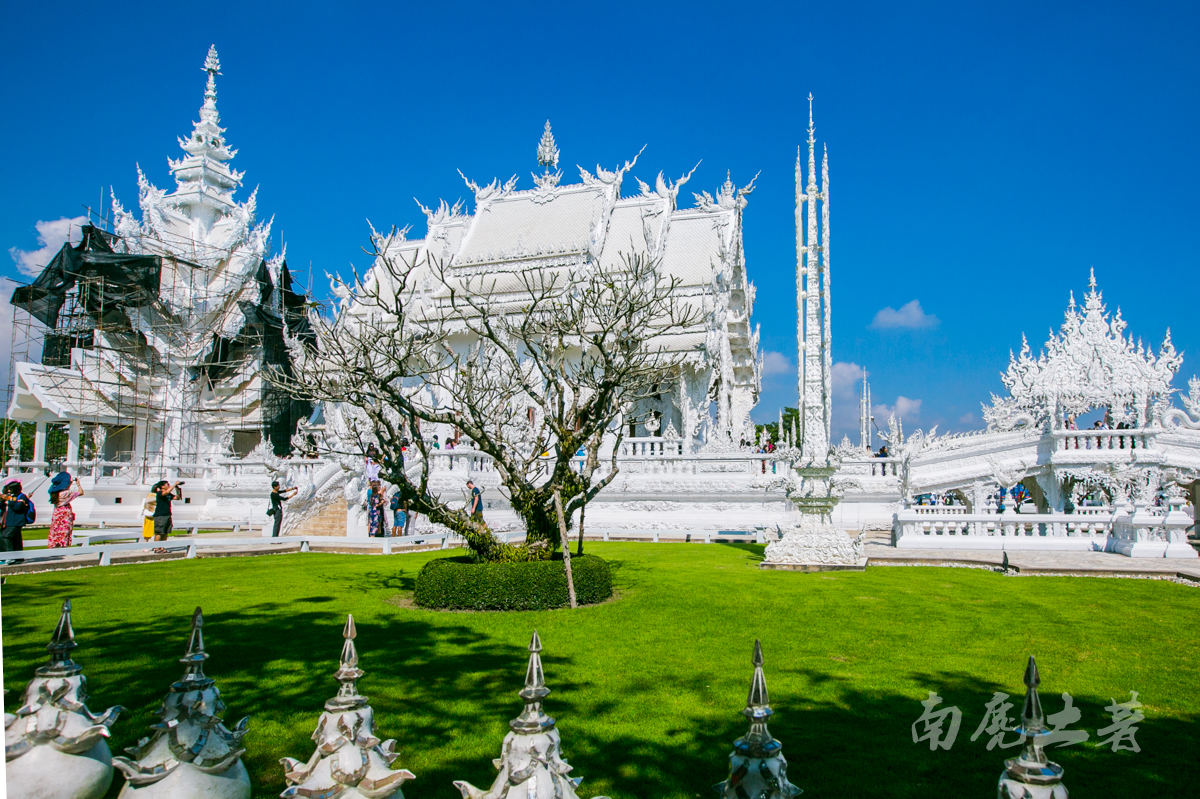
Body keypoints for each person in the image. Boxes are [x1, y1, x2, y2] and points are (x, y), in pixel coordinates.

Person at [0, 480, 34, 561]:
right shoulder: (11, 497)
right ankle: (19, 558)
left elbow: (18, 507)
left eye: (10, 489)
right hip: (9, 521)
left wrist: (9, 500)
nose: (8, 491)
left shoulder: (22, 497)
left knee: (6, 536)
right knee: (16, 540)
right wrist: (2, 500)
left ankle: (10, 557)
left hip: (17, 521)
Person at [47, 472, 83, 548]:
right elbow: (81, 492)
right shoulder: (66, 493)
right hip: (65, 512)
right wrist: (78, 484)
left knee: (56, 529)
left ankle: (54, 543)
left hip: (57, 512)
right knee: (64, 529)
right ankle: (62, 544)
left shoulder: (54, 493)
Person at [151, 479, 183, 552]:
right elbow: (166, 493)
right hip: (160, 515)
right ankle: (156, 548)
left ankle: (162, 547)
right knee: (159, 532)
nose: (168, 485)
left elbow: (177, 498)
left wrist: (178, 490)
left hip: (167, 514)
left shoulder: (169, 494)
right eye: (167, 484)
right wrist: (174, 484)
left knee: (165, 532)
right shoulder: (159, 493)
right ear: (162, 486)